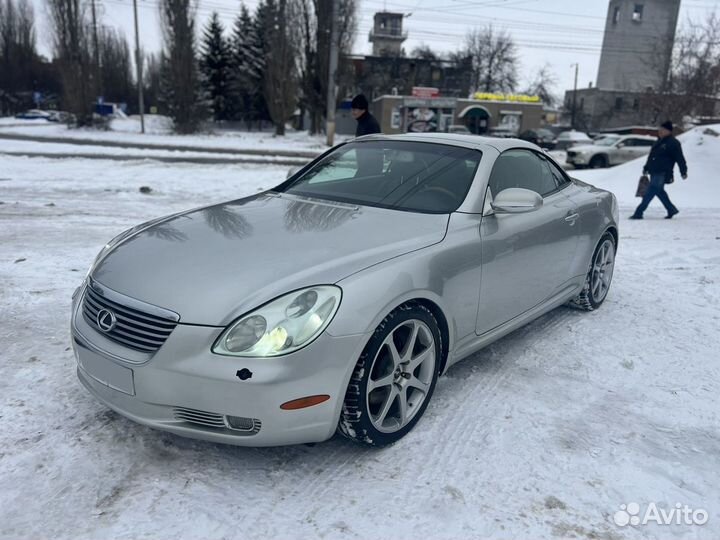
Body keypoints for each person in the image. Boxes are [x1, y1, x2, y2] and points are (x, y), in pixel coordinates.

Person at [630, 121, 687, 220]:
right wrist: (646, 167)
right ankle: (671, 209)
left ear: (669, 131)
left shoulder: (673, 143)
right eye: (660, 129)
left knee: (650, 191)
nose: (660, 131)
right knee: (659, 192)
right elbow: (652, 157)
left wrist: (683, 171)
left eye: (663, 130)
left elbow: (680, 158)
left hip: (663, 171)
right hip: (654, 171)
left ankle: (639, 212)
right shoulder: (658, 142)